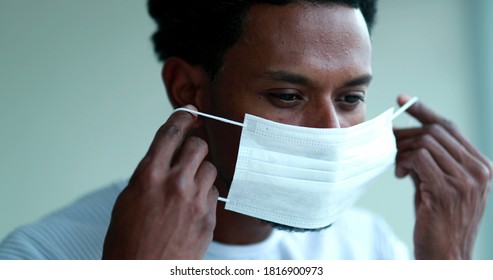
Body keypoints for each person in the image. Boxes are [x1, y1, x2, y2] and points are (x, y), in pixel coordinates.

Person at [0, 0, 491, 260]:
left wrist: (448, 262)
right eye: (287, 96)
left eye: (350, 98)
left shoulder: (373, 248)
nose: (329, 133)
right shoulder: (44, 256)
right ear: (188, 87)